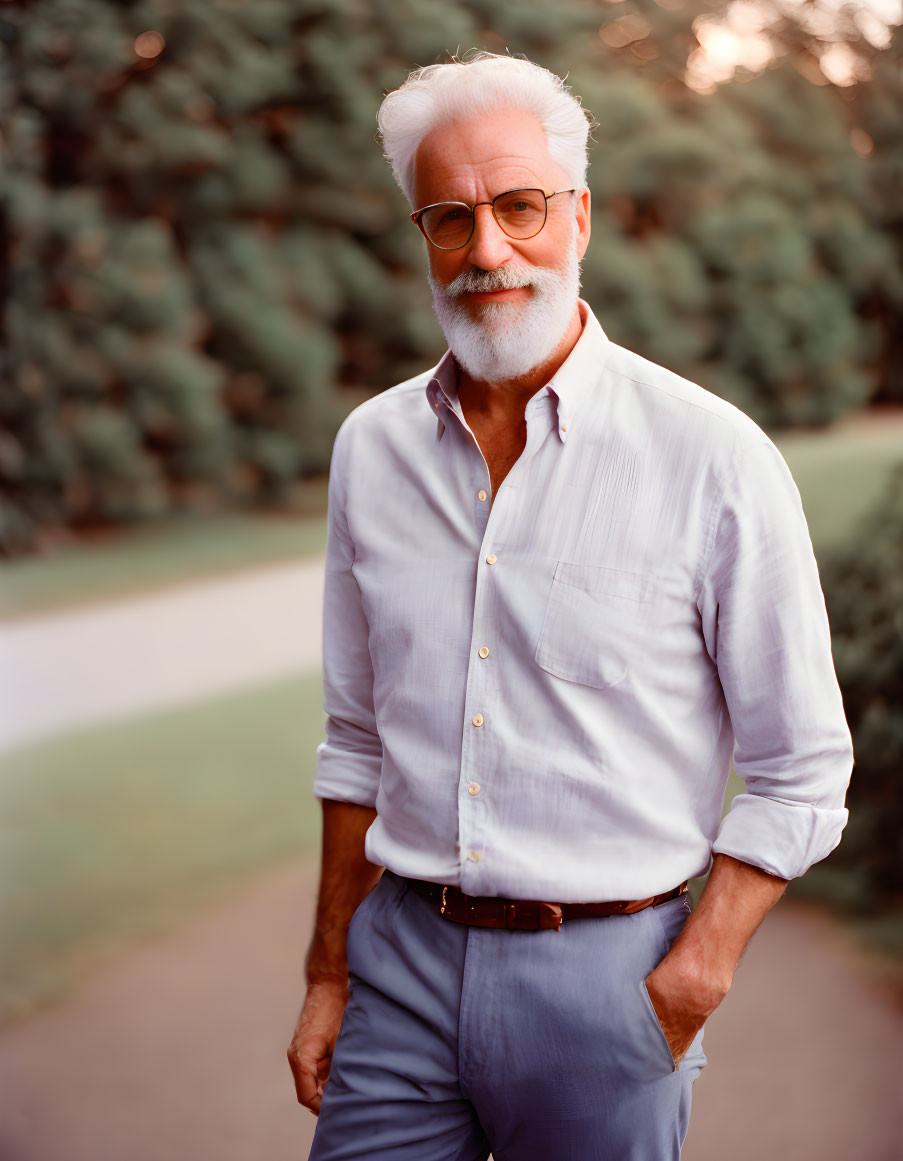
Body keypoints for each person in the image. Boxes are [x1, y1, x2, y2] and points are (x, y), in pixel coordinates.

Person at [287, 51, 853, 1161]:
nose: (487, 249)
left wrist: (691, 977)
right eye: (451, 218)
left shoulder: (714, 456)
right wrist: (326, 972)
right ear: (423, 237)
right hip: (396, 966)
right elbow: (354, 743)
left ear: (579, 218)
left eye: (520, 206)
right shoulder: (371, 449)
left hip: (612, 982)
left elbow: (803, 768)